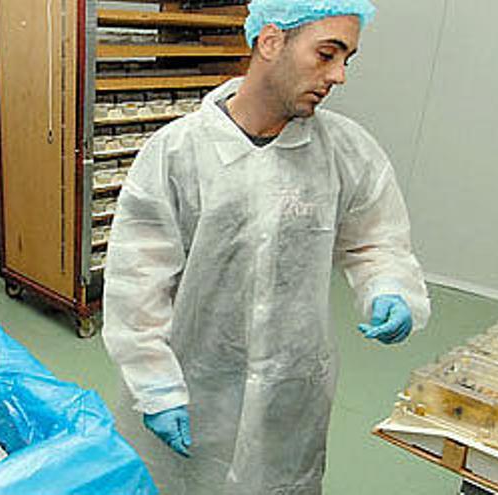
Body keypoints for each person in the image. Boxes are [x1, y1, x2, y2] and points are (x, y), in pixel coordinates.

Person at [101, 0, 431, 493]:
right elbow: (137, 281)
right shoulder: (177, 153)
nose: (339, 76)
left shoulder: (344, 151)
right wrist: (156, 386)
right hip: (193, 388)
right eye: (327, 54)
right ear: (271, 41)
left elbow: (375, 238)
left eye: (347, 59)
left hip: (291, 394)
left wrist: (388, 286)